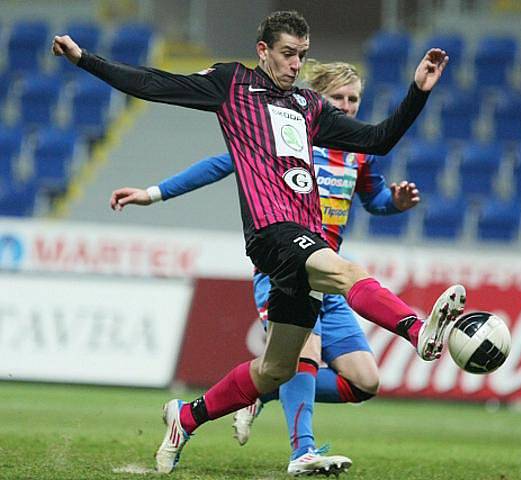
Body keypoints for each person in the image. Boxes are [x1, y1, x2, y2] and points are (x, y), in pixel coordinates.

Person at [52, 10, 465, 474]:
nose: (295, 64)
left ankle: (184, 417)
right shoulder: (232, 85)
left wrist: (418, 92)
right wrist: (85, 59)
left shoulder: (310, 106)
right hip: (272, 235)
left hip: (305, 238)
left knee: (275, 371)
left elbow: (378, 140)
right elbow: (153, 83)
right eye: (288, 54)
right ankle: (416, 330)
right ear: (263, 50)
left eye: (302, 55)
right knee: (346, 271)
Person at [110, 60, 422, 476]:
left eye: (353, 100)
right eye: (338, 99)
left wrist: (395, 204)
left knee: (365, 382)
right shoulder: (289, 137)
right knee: (304, 353)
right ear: (317, 101)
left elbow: (374, 199)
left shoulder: (357, 153)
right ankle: (303, 451)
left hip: (328, 273)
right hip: (284, 263)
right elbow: (221, 164)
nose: (346, 107)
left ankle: (254, 396)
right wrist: (154, 193)